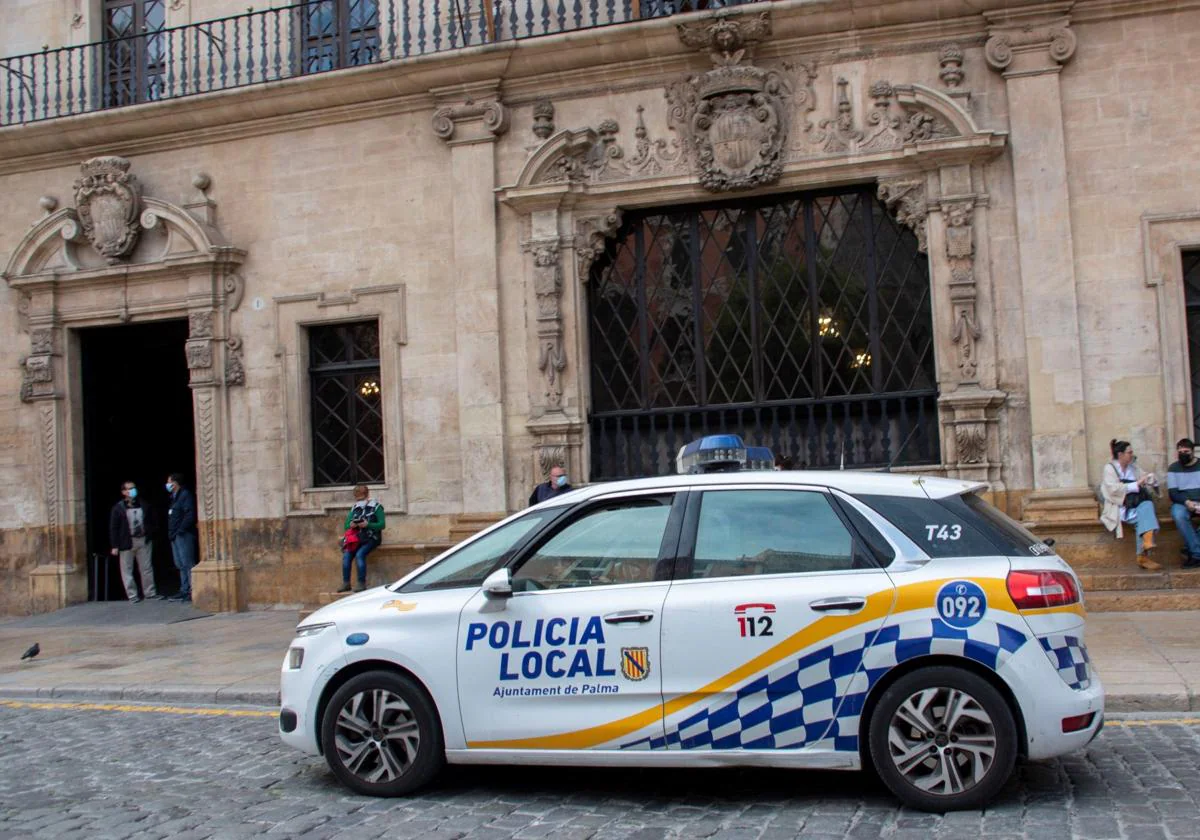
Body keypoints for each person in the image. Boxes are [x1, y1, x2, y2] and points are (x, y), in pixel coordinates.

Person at [1099, 439, 1161, 570]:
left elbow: (1144, 476)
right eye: (1129, 452)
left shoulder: (1133, 467)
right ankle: (1144, 551)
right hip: (1120, 506)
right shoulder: (1110, 468)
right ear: (1120, 454)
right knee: (1146, 514)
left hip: (1136, 504)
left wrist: (1151, 479)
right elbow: (1112, 489)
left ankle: (1146, 545)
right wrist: (1136, 484)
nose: (1131, 455)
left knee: (1147, 507)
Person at [108, 480, 162, 603]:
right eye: (128, 489)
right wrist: (115, 545)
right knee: (127, 570)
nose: (131, 491)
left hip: (143, 540)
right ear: (123, 492)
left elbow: (153, 521)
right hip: (126, 542)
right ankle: (132, 595)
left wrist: (151, 534)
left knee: (146, 568)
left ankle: (150, 593)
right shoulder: (118, 508)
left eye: (133, 488)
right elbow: (114, 527)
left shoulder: (144, 504)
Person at [339, 485, 385, 593]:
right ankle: (346, 583)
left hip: (371, 538)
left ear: (367, 495)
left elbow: (382, 524)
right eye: (357, 499)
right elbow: (346, 525)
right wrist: (351, 525)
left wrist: (368, 525)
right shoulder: (355, 508)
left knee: (360, 554)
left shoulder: (377, 507)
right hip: (357, 538)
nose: (359, 501)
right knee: (346, 556)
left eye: (361, 498)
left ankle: (361, 583)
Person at [165, 473, 198, 602]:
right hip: (174, 534)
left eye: (169, 482)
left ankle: (191, 590)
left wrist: (180, 530)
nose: (167, 485)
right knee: (179, 563)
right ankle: (184, 589)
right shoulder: (174, 497)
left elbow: (189, 514)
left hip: (183, 534)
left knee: (187, 562)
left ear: (175, 483)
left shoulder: (185, 495)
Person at [1168, 437, 1200, 569]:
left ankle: (1190, 548)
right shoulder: (1173, 468)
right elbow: (1173, 493)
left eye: (1186, 451)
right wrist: (1187, 502)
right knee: (1178, 514)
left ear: (1193, 452)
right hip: (1183, 503)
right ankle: (1197, 554)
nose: (1183, 454)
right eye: (1180, 452)